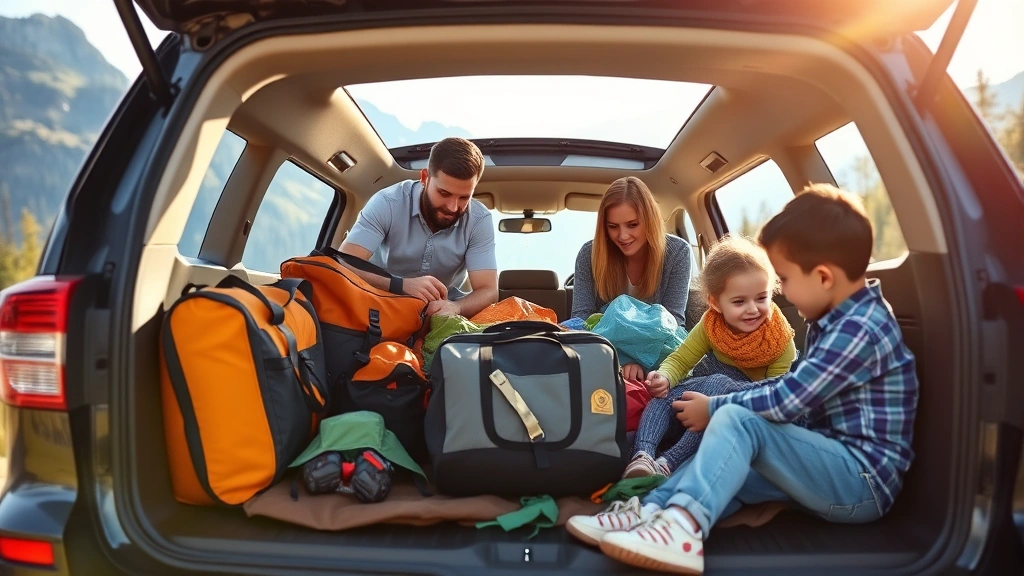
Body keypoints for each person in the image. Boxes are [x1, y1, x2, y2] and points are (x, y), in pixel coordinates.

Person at [565, 184, 918, 575]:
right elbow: (791, 394)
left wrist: (714, 407)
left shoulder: (859, 329)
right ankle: (648, 512)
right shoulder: (832, 321)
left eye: (783, 279)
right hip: (819, 458)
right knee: (720, 466)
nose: (781, 292)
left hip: (860, 481)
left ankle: (682, 528)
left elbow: (788, 399)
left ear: (821, 276)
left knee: (736, 420)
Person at [624, 235, 796, 479]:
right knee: (663, 396)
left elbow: (775, 395)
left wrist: (720, 402)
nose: (752, 309)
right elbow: (681, 360)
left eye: (762, 298)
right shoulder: (711, 325)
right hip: (700, 389)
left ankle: (668, 463)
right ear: (715, 303)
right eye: (739, 301)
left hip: (739, 406)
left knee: (718, 383)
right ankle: (642, 455)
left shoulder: (779, 340)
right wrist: (664, 377)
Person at [339, 137, 498, 319]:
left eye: (464, 197)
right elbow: (344, 264)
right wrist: (399, 285)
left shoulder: (479, 220)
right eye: (444, 193)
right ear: (424, 178)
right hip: (378, 303)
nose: (453, 207)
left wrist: (456, 307)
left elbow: (488, 291)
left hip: (441, 314)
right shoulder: (388, 203)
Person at [572, 176, 692, 381]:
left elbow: (672, 323)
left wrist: (641, 361)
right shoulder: (589, 255)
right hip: (601, 364)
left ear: (650, 220)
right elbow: (582, 322)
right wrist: (622, 360)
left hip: (657, 368)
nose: (623, 236)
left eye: (632, 224)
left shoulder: (677, 253)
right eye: (613, 226)